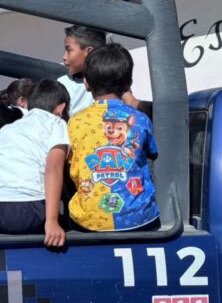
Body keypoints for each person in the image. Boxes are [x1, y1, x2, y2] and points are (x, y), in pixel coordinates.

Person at [67, 43, 159, 232]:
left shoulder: (75, 123)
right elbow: (153, 152)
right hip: (140, 219)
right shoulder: (141, 119)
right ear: (128, 84)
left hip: (88, 222)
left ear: (86, 83)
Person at [0, 79, 70, 246]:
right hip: (28, 212)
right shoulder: (56, 123)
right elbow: (54, 168)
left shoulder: (7, 129)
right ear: (61, 109)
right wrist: (52, 221)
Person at [59, 25, 106, 117]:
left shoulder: (112, 82)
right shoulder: (62, 84)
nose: (64, 57)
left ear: (89, 52)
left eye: (69, 50)